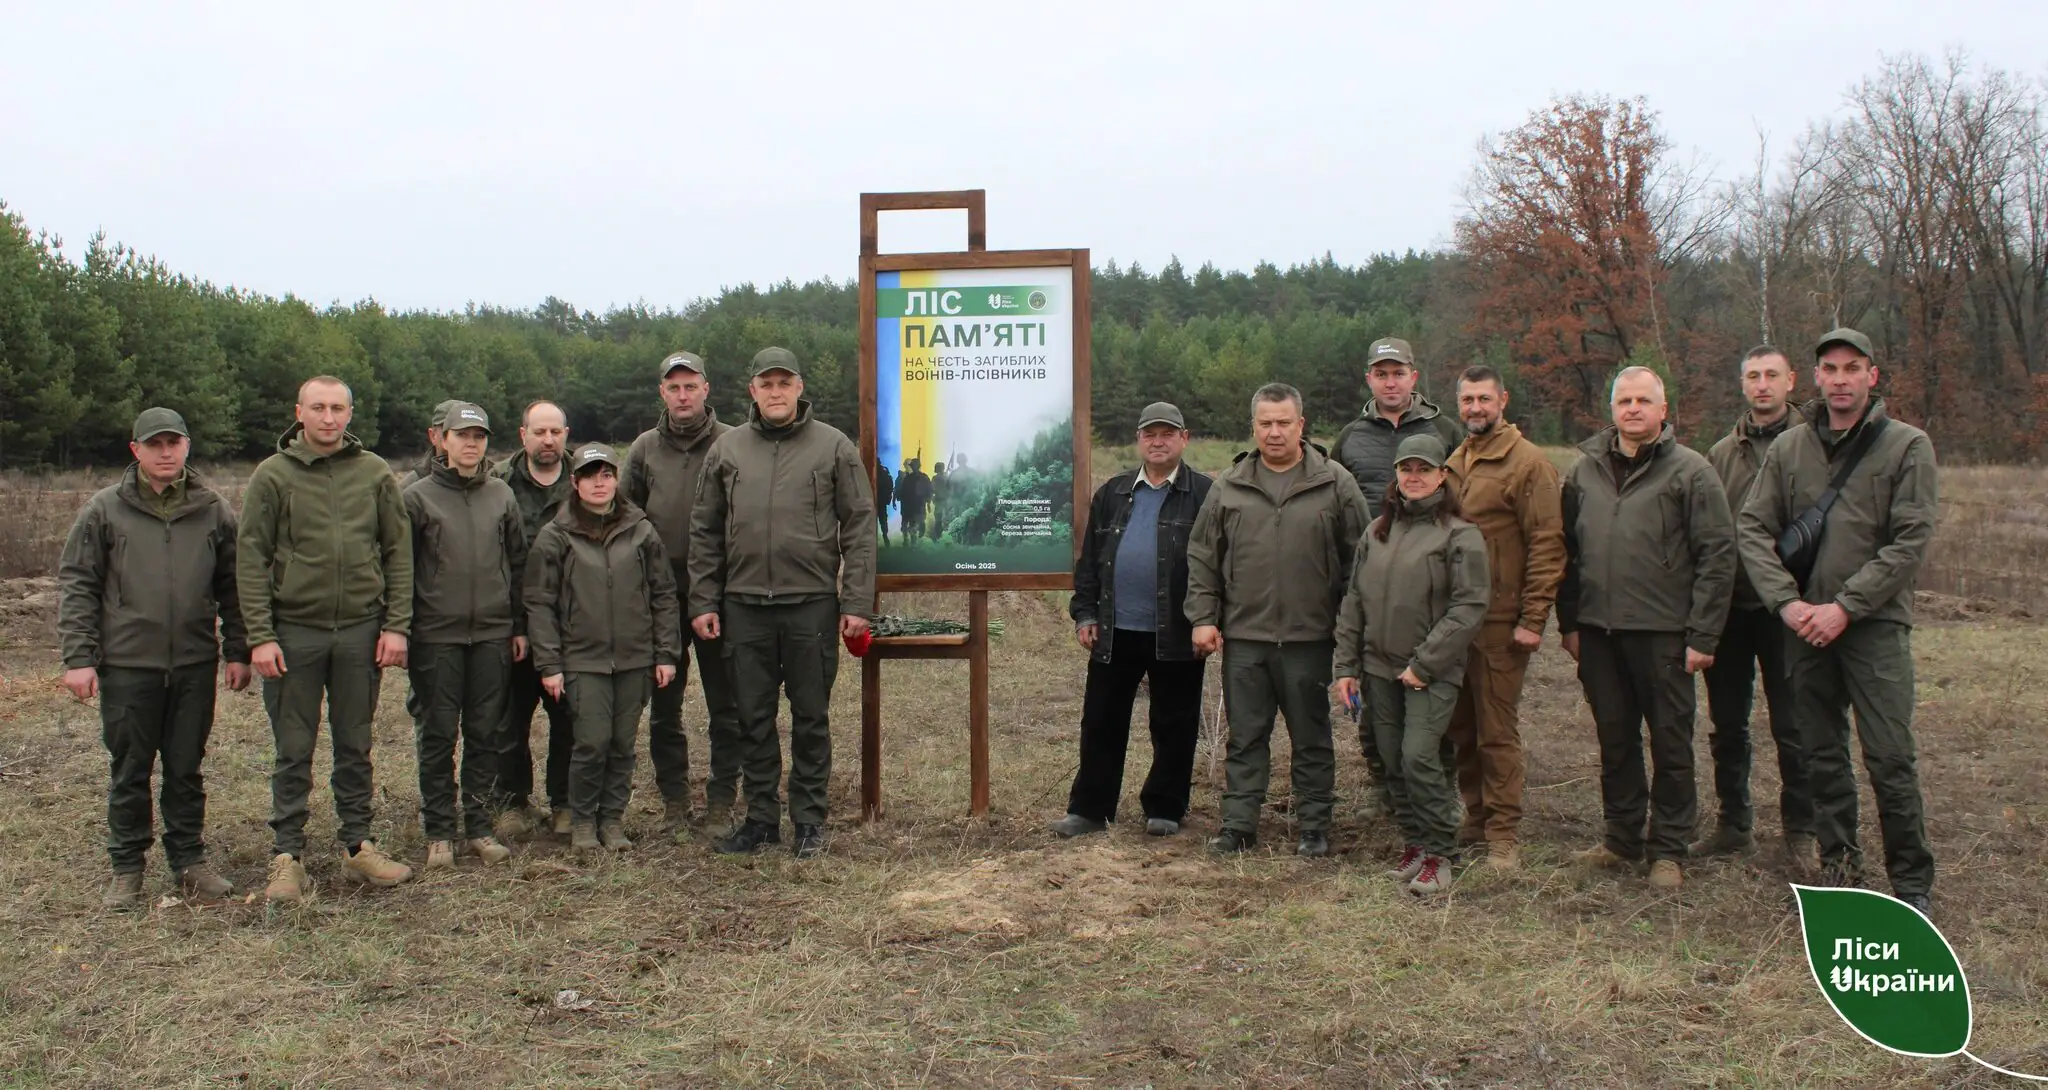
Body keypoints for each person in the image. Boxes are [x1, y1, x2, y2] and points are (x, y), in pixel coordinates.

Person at [1737, 328, 1938, 915]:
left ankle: (1911, 882)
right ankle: (1839, 866)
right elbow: (1752, 528)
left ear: (1872, 375)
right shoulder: (1789, 449)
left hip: (1873, 628)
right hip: (1803, 627)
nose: (1842, 379)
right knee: (1820, 752)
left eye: (1854, 368)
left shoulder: (1907, 446)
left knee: (1889, 755)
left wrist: (1847, 606)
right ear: (1817, 378)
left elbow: (1909, 541)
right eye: (1831, 368)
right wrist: (1787, 603)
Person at [58, 407, 251, 910]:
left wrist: (238, 650)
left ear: (187, 447)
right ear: (136, 451)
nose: (165, 453)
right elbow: (78, 585)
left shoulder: (212, 509)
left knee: (186, 767)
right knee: (131, 768)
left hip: (192, 663)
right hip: (128, 665)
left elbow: (233, 587)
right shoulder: (104, 510)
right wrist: (79, 657)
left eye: (174, 443)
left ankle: (188, 861)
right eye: (155, 444)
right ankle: (127, 867)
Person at [689, 346, 876, 861]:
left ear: (799, 388)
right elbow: (704, 531)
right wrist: (704, 599)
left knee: (811, 716)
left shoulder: (833, 447)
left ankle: (810, 821)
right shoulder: (727, 451)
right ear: (752, 390)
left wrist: (856, 599)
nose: (775, 392)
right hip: (743, 605)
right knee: (752, 716)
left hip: (810, 604)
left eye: (784, 383)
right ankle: (761, 819)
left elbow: (860, 527)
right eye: (766, 384)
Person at [1558, 367, 1736, 891]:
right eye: (1623, 401)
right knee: (1614, 739)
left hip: (1664, 633)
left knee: (1671, 743)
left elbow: (1717, 556)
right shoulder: (1583, 471)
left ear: (1663, 410)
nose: (1632, 409)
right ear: (1611, 409)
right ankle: (1621, 837)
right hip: (1597, 631)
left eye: (1643, 401)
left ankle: (1669, 849)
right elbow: (1565, 551)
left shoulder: (1692, 472)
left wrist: (1704, 635)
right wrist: (1569, 621)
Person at [238, 376, 414, 901]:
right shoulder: (273, 476)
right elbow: (250, 559)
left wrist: (396, 624)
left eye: (338, 408)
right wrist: (260, 636)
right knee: (294, 747)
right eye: (319, 408)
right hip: (295, 633)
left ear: (350, 414)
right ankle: (287, 857)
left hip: (361, 631)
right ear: (300, 412)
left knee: (355, 742)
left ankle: (358, 846)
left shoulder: (374, 473)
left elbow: (397, 552)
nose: (329, 417)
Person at [1186, 382, 1370, 857]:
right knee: (1246, 736)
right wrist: (1203, 617)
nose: (1274, 432)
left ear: (1301, 425)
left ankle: (1314, 825)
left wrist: (1350, 629)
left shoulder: (1335, 483)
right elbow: (1204, 556)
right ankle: (1239, 823)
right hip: (1245, 638)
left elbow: (1360, 563)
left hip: (1311, 638)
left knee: (1311, 737)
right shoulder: (1229, 486)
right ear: (1254, 427)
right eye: (1265, 423)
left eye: (1283, 423)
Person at [1333, 434, 1488, 895]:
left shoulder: (1461, 534)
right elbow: (1355, 601)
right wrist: (1346, 666)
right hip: (1378, 669)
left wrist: (1425, 664)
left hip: (1430, 674)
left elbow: (1469, 607)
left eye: (1424, 469)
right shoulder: (1378, 530)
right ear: (1396, 477)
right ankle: (1416, 844)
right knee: (1389, 760)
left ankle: (1442, 853)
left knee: (1419, 757)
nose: (1414, 477)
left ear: (1443, 475)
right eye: (1406, 469)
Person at [1052, 402, 1215, 839]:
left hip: (1178, 630)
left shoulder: (1205, 493)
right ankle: (1090, 809)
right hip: (1115, 629)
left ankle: (1165, 806)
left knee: (1174, 723)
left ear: (1185, 438)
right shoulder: (1114, 492)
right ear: (1139, 440)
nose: (1158, 441)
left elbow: (1220, 564)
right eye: (1150, 434)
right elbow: (1090, 562)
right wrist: (1085, 613)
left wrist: (1210, 618)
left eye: (1167, 433)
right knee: (1102, 721)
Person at [525, 443, 681, 852]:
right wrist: (549, 663)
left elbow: (664, 593)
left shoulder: (641, 529)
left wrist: (665, 653)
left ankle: (611, 821)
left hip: (634, 657)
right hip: (582, 659)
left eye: (607, 474)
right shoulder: (555, 535)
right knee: (591, 741)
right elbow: (539, 603)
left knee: (622, 743)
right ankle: (581, 822)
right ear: (575, 482)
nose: (600, 482)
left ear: (616, 479)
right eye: (590, 475)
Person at [1330, 336, 1464, 804]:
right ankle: (1385, 789)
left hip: (1430, 582)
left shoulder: (1446, 430)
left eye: (1398, 372)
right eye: (1381, 373)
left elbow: (1463, 502)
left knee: (1428, 687)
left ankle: (1435, 789)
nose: (1390, 381)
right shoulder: (1350, 437)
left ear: (1414, 377)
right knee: (1374, 692)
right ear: (1369, 378)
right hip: (1366, 580)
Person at [1442, 366, 1565, 872]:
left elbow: (1547, 544)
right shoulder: (1454, 461)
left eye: (1484, 399)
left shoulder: (1528, 464)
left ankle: (1504, 834)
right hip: (1454, 622)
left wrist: (1533, 618)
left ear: (1503, 400)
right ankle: (1474, 816)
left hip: (1499, 621)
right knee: (1460, 727)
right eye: (1467, 399)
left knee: (1496, 729)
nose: (1475, 408)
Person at [1697, 346, 1815, 871]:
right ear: (1742, 384)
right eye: (1752, 376)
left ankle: (1801, 831)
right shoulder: (1722, 453)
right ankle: (1733, 825)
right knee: (1728, 724)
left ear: (1791, 381)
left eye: (1772, 375)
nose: (1762, 385)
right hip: (1731, 608)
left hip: (1790, 609)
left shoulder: (1815, 446)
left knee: (1794, 724)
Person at [623, 351, 742, 836]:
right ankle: (674, 802)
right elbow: (624, 519)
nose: (683, 395)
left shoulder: (735, 443)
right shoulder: (644, 449)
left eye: (690, 386)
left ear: (706, 389)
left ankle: (720, 801)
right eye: (673, 387)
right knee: (665, 705)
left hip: (719, 594)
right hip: (662, 599)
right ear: (663, 394)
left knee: (726, 704)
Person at [402, 402, 525, 869]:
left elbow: (517, 563)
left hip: (492, 634)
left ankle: (477, 826)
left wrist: (517, 626)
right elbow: (401, 568)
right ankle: (438, 831)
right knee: (436, 733)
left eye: (479, 436)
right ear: (441, 439)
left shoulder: (501, 495)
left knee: (485, 732)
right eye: (462, 435)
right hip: (436, 634)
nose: (471, 443)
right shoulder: (417, 497)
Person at [492, 400, 575, 837]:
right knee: (510, 718)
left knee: (568, 719)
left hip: (571, 625)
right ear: (522, 433)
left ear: (566, 434)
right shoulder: (498, 483)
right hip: (514, 623)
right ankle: (512, 802)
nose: (548, 441)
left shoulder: (588, 479)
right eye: (539, 432)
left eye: (555, 432)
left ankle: (565, 802)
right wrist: (510, 624)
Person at [395, 399, 459, 489]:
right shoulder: (410, 489)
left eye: (465, 433)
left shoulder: (485, 485)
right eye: (450, 430)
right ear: (433, 436)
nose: (458, 439)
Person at [897, 458, 931, 541]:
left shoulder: (923, 477)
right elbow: (903, 491)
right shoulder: (908, 478)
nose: (913, 467)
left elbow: (928, 490)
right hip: (910, 505)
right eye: (912, 466)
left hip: (918, 504)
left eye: (913, 466)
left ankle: (914, 541)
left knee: (917, 523)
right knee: (911, 523)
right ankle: (910, 541)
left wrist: (928, 502)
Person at [875, 463, 895, 545]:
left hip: (877, 500)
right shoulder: (884, 472)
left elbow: (890, 486)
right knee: (883, 520)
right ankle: (885, 536)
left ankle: (884, 536)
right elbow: (890, 486)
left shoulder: (882, 472)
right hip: (880, 500)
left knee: (881, 520)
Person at [930, 461, 949, 540]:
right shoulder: (936, 478)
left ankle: (945, 536)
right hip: (939, 500)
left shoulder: (946, 476)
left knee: (945, 519)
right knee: (939, 519)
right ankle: (938, 536)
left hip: (946, 500)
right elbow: (932, 489)